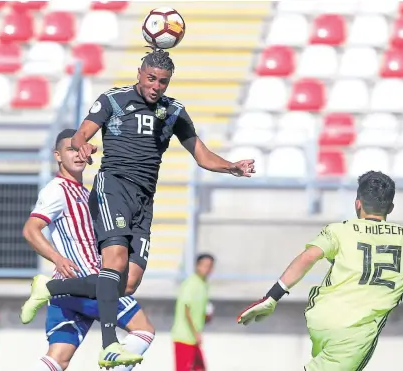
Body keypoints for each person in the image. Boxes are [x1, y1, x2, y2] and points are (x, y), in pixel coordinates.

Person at [20, 47, 255, 368]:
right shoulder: (113, 100)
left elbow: (201, 154)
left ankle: (49, 287)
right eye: (151, 78)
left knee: (127, 283)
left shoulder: (174, 111)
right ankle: (109, 344)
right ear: (140, 74)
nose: (157, 86)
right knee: (113, 262)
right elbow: (81, 134)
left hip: (144, 200)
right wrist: (83, 144)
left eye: (163, 81)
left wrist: (232, 167)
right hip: (112, 189)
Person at [237, 166, 403, 371]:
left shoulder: (339, 230)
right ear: (391, 207)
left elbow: (308, 256)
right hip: (354, 333)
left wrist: (272, 297)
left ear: (357, 203)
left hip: (322, 318)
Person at [22, 129, 155, 370]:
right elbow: (31, 229)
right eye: (70, 149)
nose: (77, 154)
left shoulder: (87, 193)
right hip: (89, 282)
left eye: (81, 148)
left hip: (66, 290)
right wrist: (57, 257)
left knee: (57, 358)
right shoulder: (57, 190)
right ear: (58, 155)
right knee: (144, 330)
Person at [171, 253, 215, 371]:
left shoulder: (203, 284)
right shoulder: (191, 283)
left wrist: (206, 316)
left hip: (193, 338)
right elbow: (186, 308)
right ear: (197, 266)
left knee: (200, 368)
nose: (207, 269)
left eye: (210, 266)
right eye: (204, 265)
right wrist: (196, 332)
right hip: (184, 337)